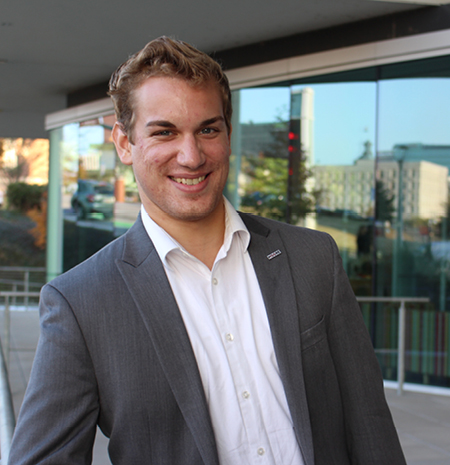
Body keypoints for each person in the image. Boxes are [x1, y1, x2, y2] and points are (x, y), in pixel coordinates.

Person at [8, 37, 406, 465]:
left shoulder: (313, 258)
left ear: (228, 134)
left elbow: (370, 426)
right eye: (165, 132)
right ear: (124, 143)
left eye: (207, 130)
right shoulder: (81, 303)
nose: (192, 155)